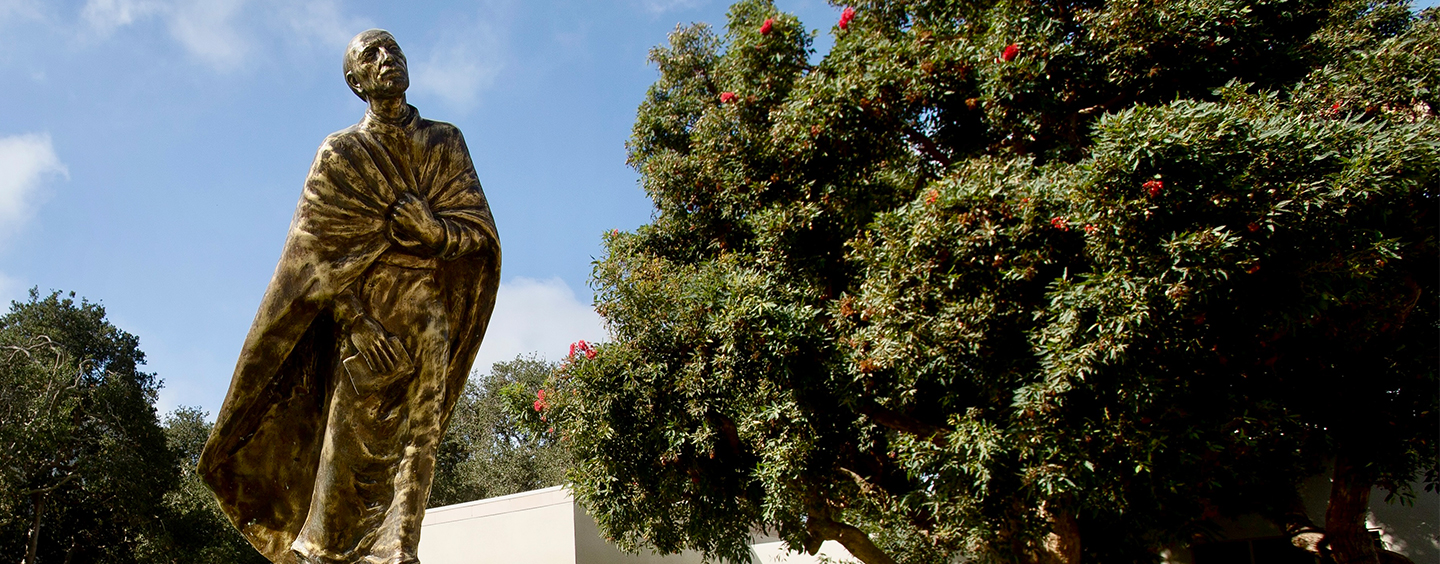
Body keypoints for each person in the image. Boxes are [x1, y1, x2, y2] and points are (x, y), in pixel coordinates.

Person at [198, 29, 501, 564]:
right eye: (372, 55)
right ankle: (323, 552)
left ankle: (397, 553)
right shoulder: (342, 153)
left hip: (426, 318)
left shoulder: (444, 141)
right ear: (355, 80)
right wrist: (357, 322)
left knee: (417, 448)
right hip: (362, 327)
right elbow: (309, 260)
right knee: (345, 455)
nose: (388, 60)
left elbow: (479, 232)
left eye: (395, 50)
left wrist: (437, 234)